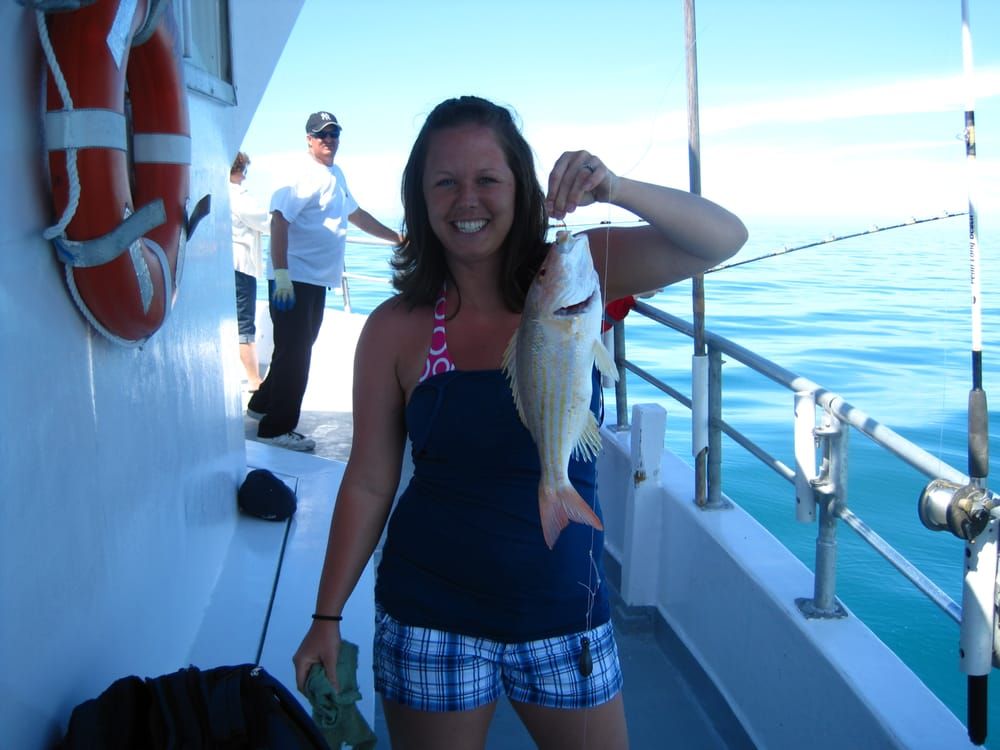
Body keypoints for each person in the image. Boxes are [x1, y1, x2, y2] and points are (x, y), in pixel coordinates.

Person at [292, 96, 748, 748]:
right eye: (444, 182)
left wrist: (614, 186)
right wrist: (325, 616)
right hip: (429, 616)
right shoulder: (394, 328)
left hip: (565, 613)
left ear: (520, 188)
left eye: (487, 180)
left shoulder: (574, 271)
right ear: (419, 199)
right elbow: (368, 481)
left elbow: (721, 238)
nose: (466, 199)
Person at [246, 111, 401, 452]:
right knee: (296, 356)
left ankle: (260, 406)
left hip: (315, 281)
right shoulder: (302, 174)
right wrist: (282, 273)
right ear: (309, 139)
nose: (328, 141)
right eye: (321, 135)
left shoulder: (336, 174)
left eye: (334, 134)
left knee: (294, 348)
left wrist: (397, 239)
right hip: (294, 280)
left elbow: (355, 214)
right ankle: (276, 429)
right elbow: (279, 220)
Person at [229, 151, 270, 392]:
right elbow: (266, 222)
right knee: (244, 323)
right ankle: (254, 380)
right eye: (244, 172)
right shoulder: (239, 196)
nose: (244, 178)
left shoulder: (217, 190)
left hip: (225, 265)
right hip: (240, 267)